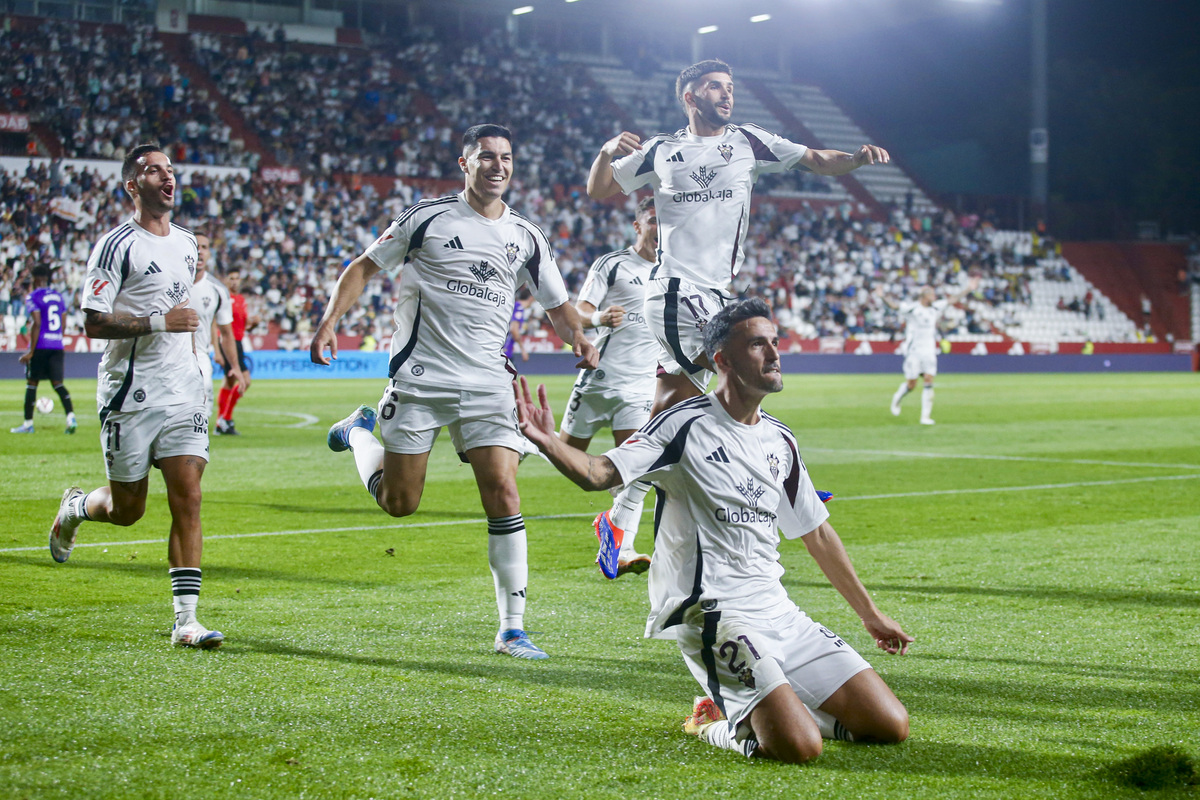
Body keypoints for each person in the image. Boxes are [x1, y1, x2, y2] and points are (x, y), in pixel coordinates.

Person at [515, 298, 911, 762]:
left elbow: (816, 532)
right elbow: (600, 473)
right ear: (722, 359)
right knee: (797, 749)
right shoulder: (682, 425)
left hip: (777, 610)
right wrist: (547, 443)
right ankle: (713, 723)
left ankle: (776, 702)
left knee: (890, 726)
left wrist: (870, 614)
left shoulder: (780, 439)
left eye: (775, 342)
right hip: (714, 613)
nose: (774, 354)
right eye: (757, 344)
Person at [585, 58, 891, 566]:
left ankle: (617, 520)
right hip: (678, 292)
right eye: (714, 87)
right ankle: (782, 484)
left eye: (729, 88)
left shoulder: (748, 141)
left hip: (715, 293)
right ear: (690, 95)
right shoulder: (662, 150)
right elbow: (600, 189)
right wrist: (604, 152)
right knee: (745, 377)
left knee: (668, 413)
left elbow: (815, 158)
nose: (726, 95)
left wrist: (855, 160)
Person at [310, 124, 599, 660]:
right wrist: (330, 322)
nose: (497, 166)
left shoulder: (526, 236)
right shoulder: (427, 218)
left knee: (504, 492)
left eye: (506, 157)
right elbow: (363, 267)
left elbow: (559, 308)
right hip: (421, 381)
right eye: (485, 157)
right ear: (463, 163)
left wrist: (579, 335)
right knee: (401, 503)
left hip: (489, 383)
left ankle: (512, 628)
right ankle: (356, 433)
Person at [48, 143, 224, 649]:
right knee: (128, 510)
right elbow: (93, 321)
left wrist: (197, 364)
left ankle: (186, 620)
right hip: (131, 391)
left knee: (188, 497)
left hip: (185, 391)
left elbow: (184, 313)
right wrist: (156, 322)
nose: (166, 177)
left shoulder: (188, 244)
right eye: (153, 170)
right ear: (133, 185)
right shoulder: (115, 245)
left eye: (169, 170)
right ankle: (77, 507)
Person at [560, 196, 659, 577]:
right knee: (565, 456)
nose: (660, 227)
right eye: (652, 219)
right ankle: (521, 442)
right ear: (638, 226)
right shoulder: (614, 264)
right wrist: (599, 317)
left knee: (638, 469)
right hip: (600, 381)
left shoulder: (675, 273)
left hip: (641, 387)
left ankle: (621, 546)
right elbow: (578, 311)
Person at [885, 279, 976, 425]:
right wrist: (882, 295)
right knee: (911, 384)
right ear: (923, 296)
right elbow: (894, 306)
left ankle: (925, 417)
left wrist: (968, 289)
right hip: (914, 351)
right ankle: (898, 398)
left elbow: (952, 300)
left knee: (929, 380)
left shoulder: (935, 308)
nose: (934, 296)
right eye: (931, 294)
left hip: (929, 351)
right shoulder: (912, 309)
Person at [12, 264, 77, 435]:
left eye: (33, 279)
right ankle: (71, 418)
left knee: (32, 385)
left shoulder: (33, 297)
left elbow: (37, 323)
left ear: (37, 279)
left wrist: (31, 352)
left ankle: (27, 425)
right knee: (58, 384)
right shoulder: (58, 296)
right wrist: (57, 340)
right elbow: (63, 324)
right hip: (56, 345)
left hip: (40, 345)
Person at [189, 233, 245, 411]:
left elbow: (226, 333)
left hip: (200, 357)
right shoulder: (169, 283)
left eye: (204, 247)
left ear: (209, 254)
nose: (199, 252)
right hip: (167, 358)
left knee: (201, 415)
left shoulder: (218, 290)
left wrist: (235, 367)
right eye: (195, 246)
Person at [214, 267, 251, 435]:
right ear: (226, 280)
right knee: (244, 381)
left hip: (238, 342)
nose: (235, 281)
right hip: (228, 343)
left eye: (237, 278)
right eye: (231, 278)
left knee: (229, 383)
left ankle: (222, 421)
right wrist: (217, 350)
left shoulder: (241, 299)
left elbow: (243, 325)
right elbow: (215, 324)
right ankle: (224, 419)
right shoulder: (224, 298)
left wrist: (253, 323)